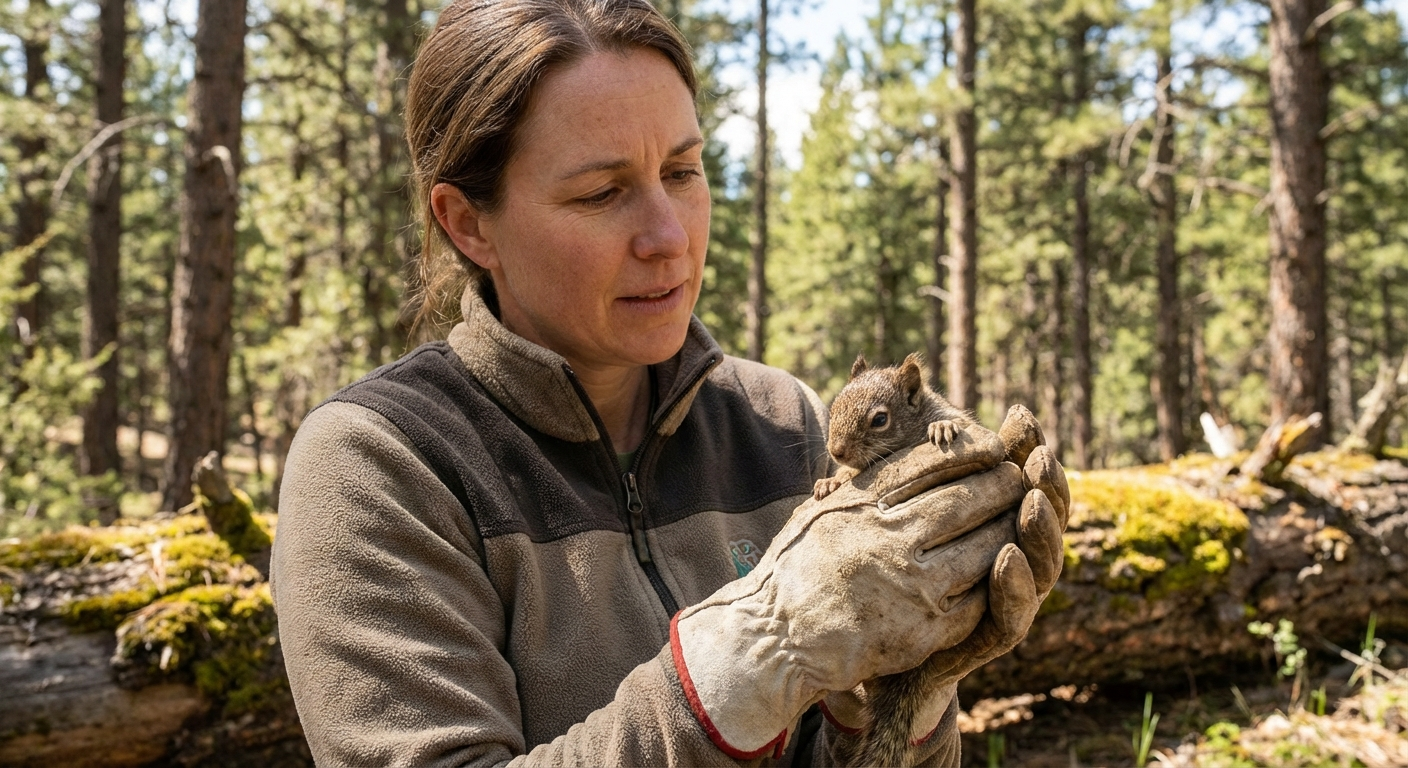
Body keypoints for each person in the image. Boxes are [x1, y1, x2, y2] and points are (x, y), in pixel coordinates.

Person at [268, 1, 1069, 765]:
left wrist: (917, 691)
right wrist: (756, 653)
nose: (667, 237)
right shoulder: (381, 464)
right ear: (468, 223)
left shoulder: (780, 422)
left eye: (683, 171)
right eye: (601, 192)